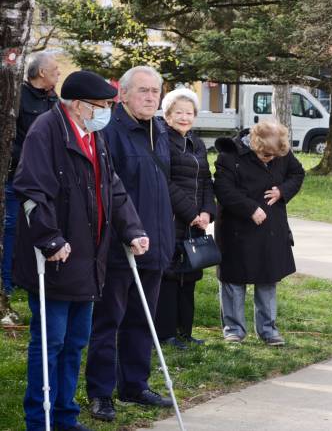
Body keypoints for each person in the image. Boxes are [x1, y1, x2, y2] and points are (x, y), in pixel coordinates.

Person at [13, 70, 149, 431]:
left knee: (75, 342)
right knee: (51, 342)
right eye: (101, 105)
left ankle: (65, 415)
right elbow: (31, 190)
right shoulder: (46, 130)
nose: (106, 112)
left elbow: (113, 188)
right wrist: (50, 239)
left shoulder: (94, 135)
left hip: (88, 260)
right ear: (78, 104)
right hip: (56, 259)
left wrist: (133, 230)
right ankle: (39, 419)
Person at [86, 66, 175, 422]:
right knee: (108, 321)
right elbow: (106, 190)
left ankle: (135, 385)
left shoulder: (161, 130)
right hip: (119, 247)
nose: (151, 97)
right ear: (122, 94)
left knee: (143, 319)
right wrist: (126, 232)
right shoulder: (109, 131)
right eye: (143, 90)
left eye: (155, 91)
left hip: (155, 244)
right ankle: (100, 392)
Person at [214, 122, 305, 346]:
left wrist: (282, 191)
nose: (270, 159)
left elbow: (297, 173)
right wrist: (250, 209)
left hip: (270, 227)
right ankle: (234, 329)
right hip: (236, 228)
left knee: (267, 277)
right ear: (254, 144)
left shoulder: (280, 152)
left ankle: (268, 330)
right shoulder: (229, 155)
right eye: (266, 155)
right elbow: (223, 189)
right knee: (234, 280)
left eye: (275, 156)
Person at [155, 88, 216, 349]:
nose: (184, 117)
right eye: (178, 112)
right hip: (172, 218)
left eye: (189, 113)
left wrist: (207, 212)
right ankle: (166, 334)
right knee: (169, 276)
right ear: (167, 115)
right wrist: (190, 213)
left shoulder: (197, 142)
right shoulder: (161, 141)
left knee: (190, 274)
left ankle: (185, 332)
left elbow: (206, 180)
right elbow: (164, 181)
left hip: (196, 223)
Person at [3, 51, 60, 294]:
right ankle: (7, 282)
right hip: (18, 177)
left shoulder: (54, 99)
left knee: (41, 226)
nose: (59, 73)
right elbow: (11, 138)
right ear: (41, 73)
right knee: (11, 229)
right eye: (55, 70)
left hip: (47, 179)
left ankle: (31, 278)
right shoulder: (17, 96)